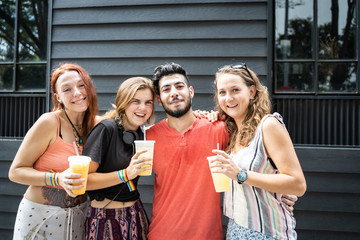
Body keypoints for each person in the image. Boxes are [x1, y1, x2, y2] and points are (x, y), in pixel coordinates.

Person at [146, 63, 297, 240]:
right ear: (159, 99)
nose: (174, 93)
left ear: (191, 91)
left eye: (179, 86)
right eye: (166, 89)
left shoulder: (221, 128)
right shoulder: (148, 137)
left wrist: (285, 191)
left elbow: (260, 154)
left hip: (209, 235)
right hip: (162, 234)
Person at [209, 63, 306, 239]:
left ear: (252, 92)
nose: (228, 98)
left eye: (235, 90)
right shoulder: (232, 131)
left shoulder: (268, 125)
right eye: (222, 92)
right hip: (236, 228)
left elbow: (298, 184)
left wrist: (240, 174)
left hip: (267, 232)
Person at [8, 63, 99, 240]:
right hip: (39, 217)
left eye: (81, 85)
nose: (77, 93)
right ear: (58, 97)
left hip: (79, 216)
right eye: (67, 89)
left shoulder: (96, 125)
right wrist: (57, 178)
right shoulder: (49, 122)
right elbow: (15, 172)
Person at [82, 77, 155, 239]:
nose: (143, 108)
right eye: (135, 101)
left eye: (148, 102)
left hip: (135, 214)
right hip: (104, 218)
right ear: (123, 102)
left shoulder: (142, 135)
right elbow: (84, 179)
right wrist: (126, 174)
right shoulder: (106, 129)